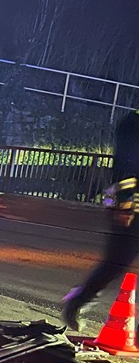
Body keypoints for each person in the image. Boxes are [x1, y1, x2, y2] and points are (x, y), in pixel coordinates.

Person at [62, 109, 139, 331]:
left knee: (115, 263)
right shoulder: (133, 123)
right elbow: (125, 165)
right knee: (115, 263)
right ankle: (76, 302)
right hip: (132, 209)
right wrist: (124, 202)